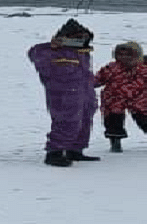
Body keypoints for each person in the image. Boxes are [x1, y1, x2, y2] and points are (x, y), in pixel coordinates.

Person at [27, 19, 99, 167]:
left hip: (84, 92)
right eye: (76, 37)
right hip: (62, 93)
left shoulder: (82, 53)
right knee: (67, 121)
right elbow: (35, 53)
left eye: (83, 38)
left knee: (85, 120)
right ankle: (55, 152)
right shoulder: (51, 52)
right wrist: (52, 45)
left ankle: (75, 150)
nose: (80, 40)